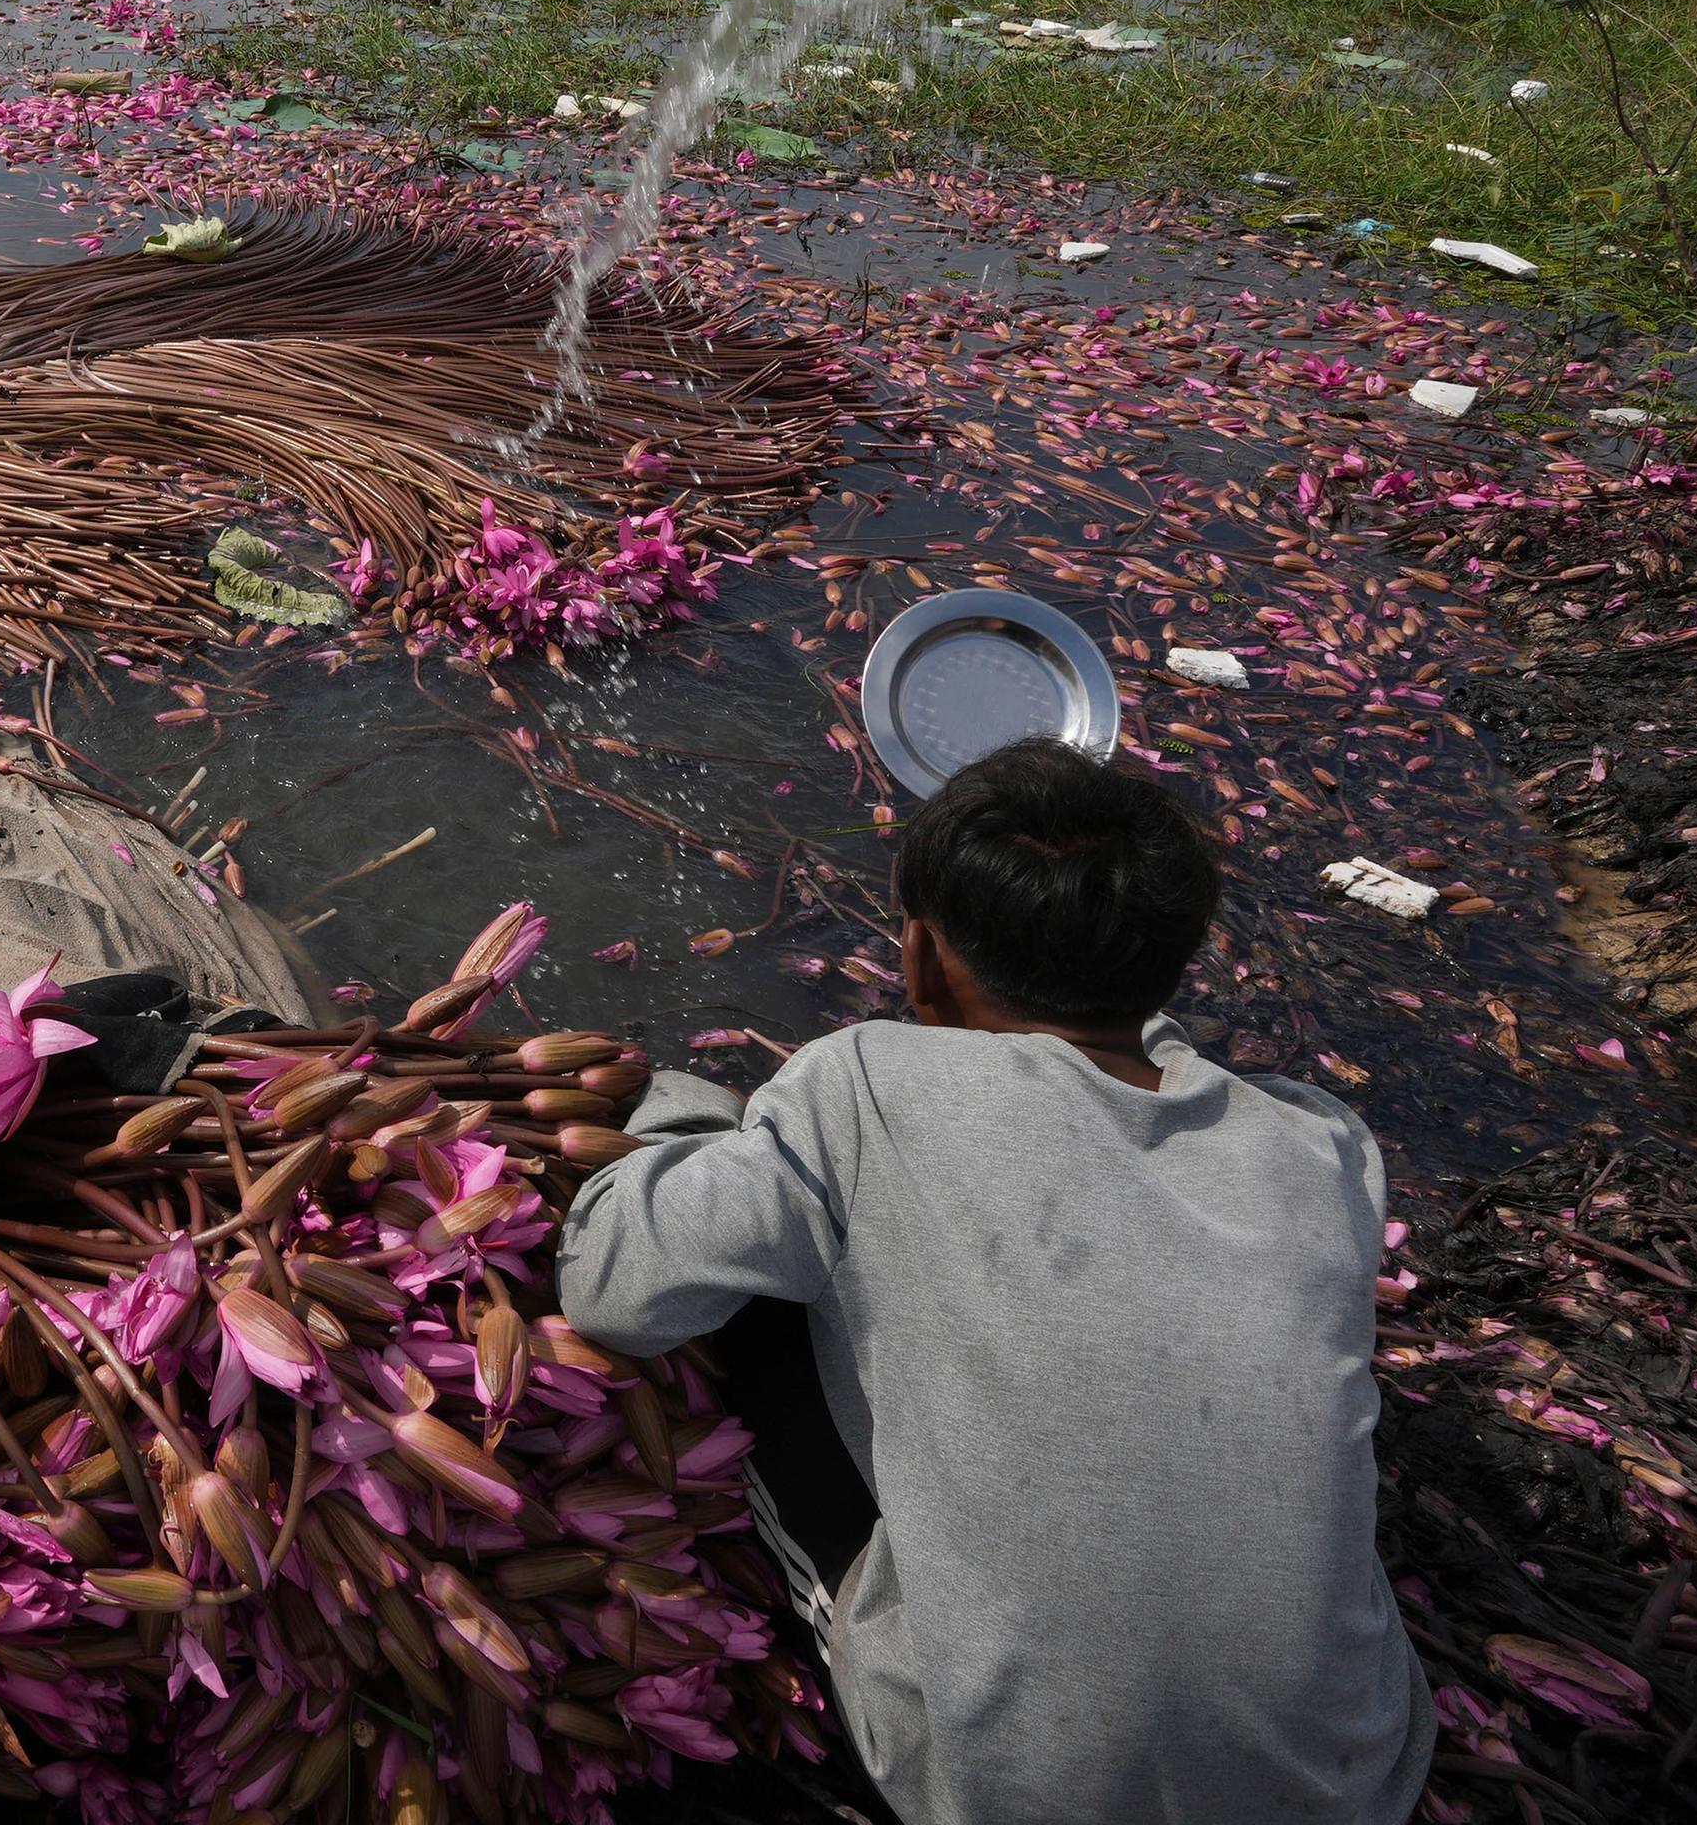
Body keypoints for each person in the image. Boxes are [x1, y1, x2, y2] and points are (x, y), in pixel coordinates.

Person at [560, 738, 1429, 1825]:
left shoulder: (863, 1081)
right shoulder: (1323, 1143)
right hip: (1358, 1784)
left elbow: (614, 1293)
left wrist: (673, 1121)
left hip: (999, 1792)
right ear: (1171, 954)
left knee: (757, 1303)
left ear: (921, 957)